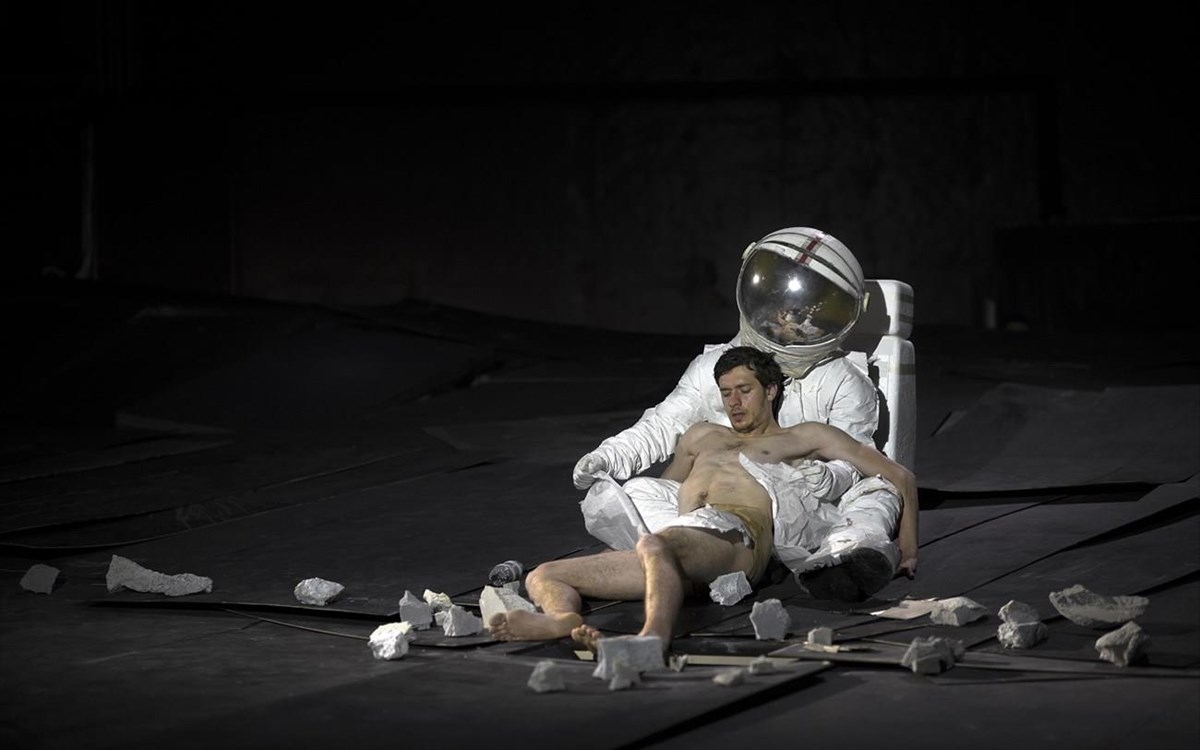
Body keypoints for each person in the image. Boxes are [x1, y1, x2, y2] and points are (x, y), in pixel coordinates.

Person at [489, 346, 918, 651]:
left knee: (656, 545)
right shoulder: (703, 437)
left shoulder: (802, 436)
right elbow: (666, 492)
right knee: (545, 575)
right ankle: (561, 619)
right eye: (726, 392)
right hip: (682, 543)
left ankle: (652, 640)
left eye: (744, 390)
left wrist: (908, 549)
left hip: (739, 538)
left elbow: (899, 476)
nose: (734, 402)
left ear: (771, 390)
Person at [573, 226, 910, 595]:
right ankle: (680, 548)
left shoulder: (841, 380)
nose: (787, 321)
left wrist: (832, 477)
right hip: (713, 499)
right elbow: (664, 424)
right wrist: (610, 455)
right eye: (780, 308)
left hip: (801, 501)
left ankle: (845, 557)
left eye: (801, 314)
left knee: (878, 490)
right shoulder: (715, 368)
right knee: (637, 492)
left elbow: (857, 456)